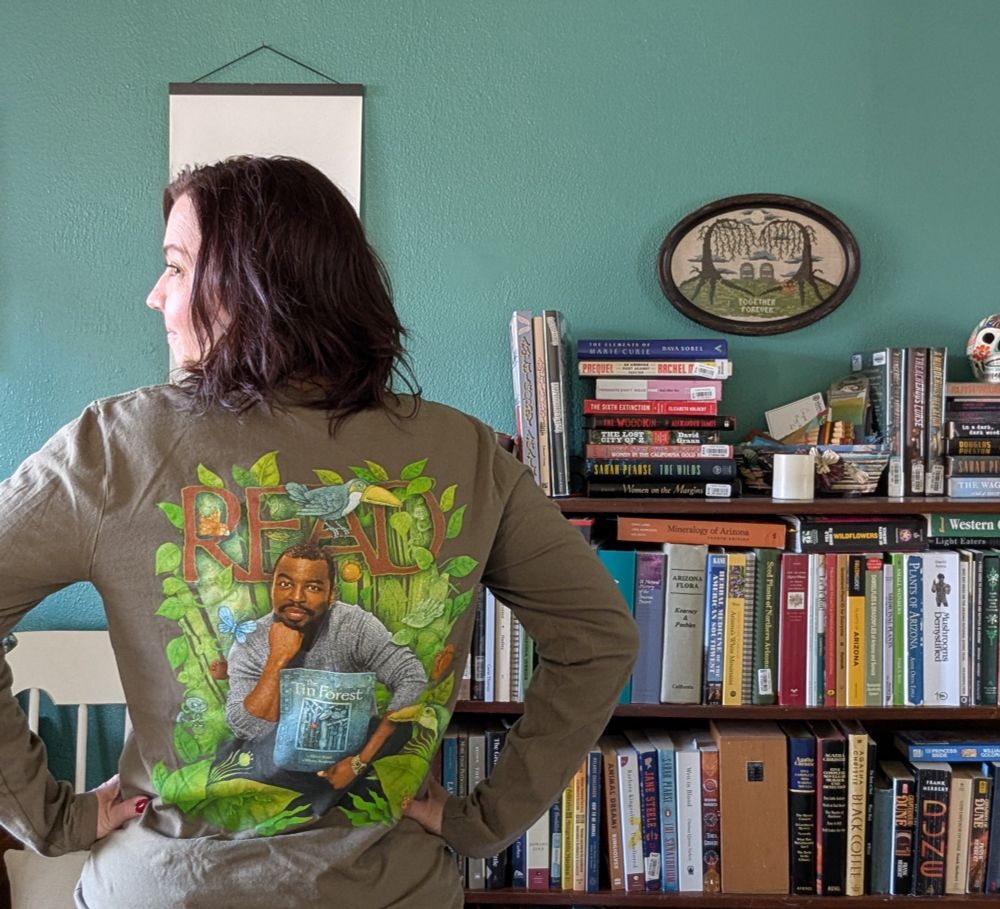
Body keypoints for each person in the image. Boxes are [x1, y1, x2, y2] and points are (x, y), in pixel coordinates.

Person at [0, 155, 638, 909]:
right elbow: (601, 639)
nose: (156, 295)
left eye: (176, 267)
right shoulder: (466, 452)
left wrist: (50, 815)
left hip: (170, 889)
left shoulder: (115, 447)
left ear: (243, 290)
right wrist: (481, 819)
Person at [225, 542, 427, 791]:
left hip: (353, 761)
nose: (296, 597)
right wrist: (278, 658)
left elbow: (412, 677)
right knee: (228, 757)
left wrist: (359, 762)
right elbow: (245, 727)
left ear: (331, 595)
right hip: (279, 769)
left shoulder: (355, 626)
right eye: (286, 584)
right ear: (273, 587)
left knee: (399, 733)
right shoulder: (251, 640)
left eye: (312, 587)